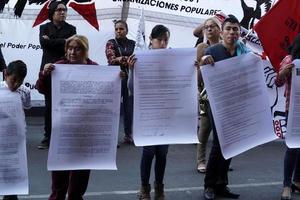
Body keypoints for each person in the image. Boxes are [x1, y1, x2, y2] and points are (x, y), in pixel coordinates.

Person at [36, 35, 97, 200]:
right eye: (69, 48)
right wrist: (44, 73)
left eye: (77, 48)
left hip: (85, 129)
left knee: (81, 172)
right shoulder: (59, 66)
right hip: (62, 126)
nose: (72, 52)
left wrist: (117, 78)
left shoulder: (94, 68)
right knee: (59, 175)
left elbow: (107, 89)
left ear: (84, 51)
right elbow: (41, 88)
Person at [201, 15, 250, 200]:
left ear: (239, 32)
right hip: (218, 105)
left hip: (236, 104)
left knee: (231, 145)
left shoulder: (244, 53)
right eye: (228, 29)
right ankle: (209, 185)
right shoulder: (213, 51)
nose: (232, 32)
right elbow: (201, 71)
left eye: (235, 29)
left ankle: (222, 184)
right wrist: (205, 60)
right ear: (222, 33)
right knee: (219, 144)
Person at [127, 24, 170, 200]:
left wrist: (192, 69)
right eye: (159, 39)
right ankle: (145, 187)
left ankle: (159, 187)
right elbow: (131, 88)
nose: (163, 43)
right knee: (149, 152)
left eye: (166, 40)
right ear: (151, 40)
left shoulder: (173, 58)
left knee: (162, 153)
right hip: (148, 113)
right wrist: (131, 70)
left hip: (166, 113)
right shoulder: (141, 58)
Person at [38, 0, 76, 149]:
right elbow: (44, 44)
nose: (62, 12)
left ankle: (63, 135)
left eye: (64, 10)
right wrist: (63, 41)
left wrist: (53, 41)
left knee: (65, 106)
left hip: (66, 71)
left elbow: (71, 45)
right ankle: (48, 136)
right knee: (49, 106)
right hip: (48, 70)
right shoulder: (44, 27)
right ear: (52, 13)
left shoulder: (72, 28)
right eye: (59, 10)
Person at [1, 60, 31, 200]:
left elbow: (26, 107)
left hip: (15, 137)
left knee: (12, 169)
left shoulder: (24, 92)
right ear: (6, 74)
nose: (16, 84)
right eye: (14, 80)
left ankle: (11, 195)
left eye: (20, 81)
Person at [275, 33, 300, 200]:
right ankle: (286, 185)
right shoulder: (289, 60)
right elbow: (278, 82)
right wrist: (283, 72)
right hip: (294, 111)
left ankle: (297, 182)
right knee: (293, 148)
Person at [195, 17, 221, 173]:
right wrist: (199, 87)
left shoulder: (227, 46)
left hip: (223, 93)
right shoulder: (202, 47)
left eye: (213, 26)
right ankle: (201, 161)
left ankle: (221, 160)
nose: (209, 29)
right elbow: (197, 72)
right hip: (206, 93)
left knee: (222, 130)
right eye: (206, 27)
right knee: (204, 129)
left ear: (219, 29)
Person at [105, 20, 136, 144]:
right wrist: (127, 59)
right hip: (115, 79)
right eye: (117, 29)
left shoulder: (134, 43)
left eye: (121, 29)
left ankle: (128, 135)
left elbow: (138, 57)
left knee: (129, 109)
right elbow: (111, 59)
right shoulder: (110, 43)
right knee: (113, 108)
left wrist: (123, 59)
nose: (119, 31)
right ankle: (111, 136)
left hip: (130, 79)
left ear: (127, 30)